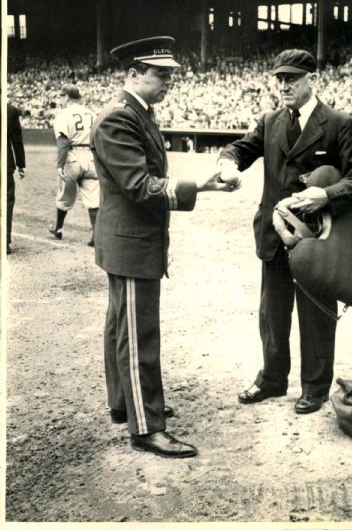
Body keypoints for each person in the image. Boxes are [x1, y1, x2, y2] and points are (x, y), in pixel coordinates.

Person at [90, 36, 236, 459]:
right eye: (161, 74)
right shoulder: (120, 118)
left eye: (170, 74)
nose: (169, 81)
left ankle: (126, 404)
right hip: (131, 243)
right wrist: (201, 186)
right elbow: (139, 186)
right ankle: (146, 427)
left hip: (127, 241)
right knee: (139, 335)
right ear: (133, 74)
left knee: (122, 326)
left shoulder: (138, 112)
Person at [217, 49, 352, 414]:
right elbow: (241, 149)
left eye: (292, 78)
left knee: (316, 313)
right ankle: (273, 379)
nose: (284, 85)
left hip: (319, 238)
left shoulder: (338, 123)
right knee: (272, 312)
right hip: (275, 234)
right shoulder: (271, 120)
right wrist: (227, 163)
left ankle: (315, 387)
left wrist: (326, 194)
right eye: (280, 79)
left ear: (312, 79)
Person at [48, 84, 99, 246]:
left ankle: (58, 228)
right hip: (91, 156)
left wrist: (60, 164)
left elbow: (63, 142)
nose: (60, 99)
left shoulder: (63, 114)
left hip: (72, 156)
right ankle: (96, 235)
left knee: (64, 196)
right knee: (93, 199)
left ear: (68, 97)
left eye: (61, 96)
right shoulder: (91, 113)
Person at [7, 103, 26, 255]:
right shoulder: (11, 110)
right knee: (7, 201)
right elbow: (16, 139)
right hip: (5, 163)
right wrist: (21, 163)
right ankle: (4, 241)